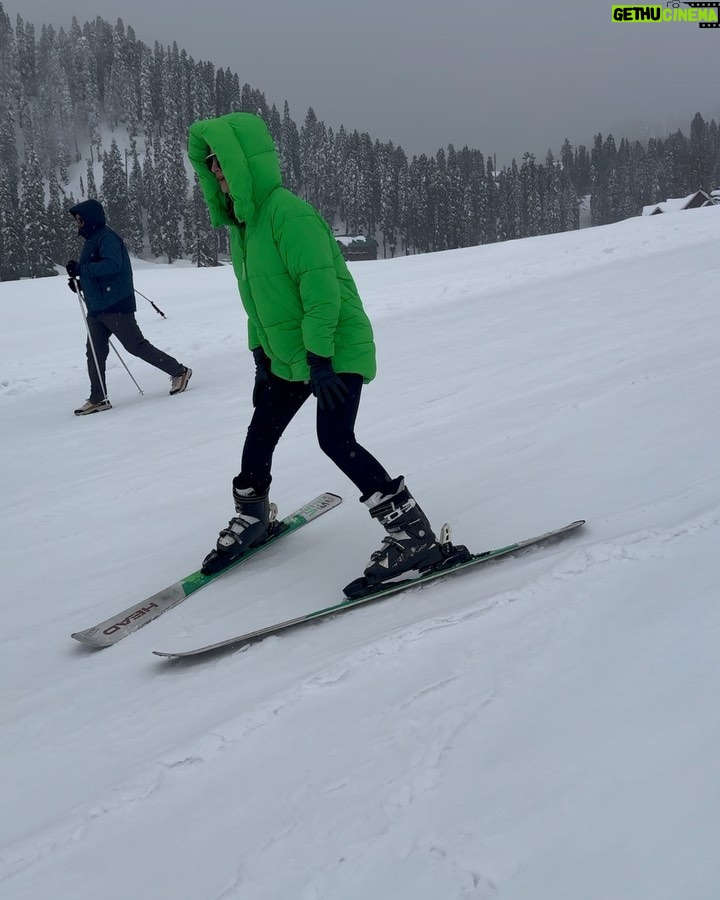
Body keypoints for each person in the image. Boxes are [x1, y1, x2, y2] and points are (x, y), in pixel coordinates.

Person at [188, 111, 443, 593]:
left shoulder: (290, 213)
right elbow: (257, 303)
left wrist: (321, 361)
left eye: (224, 162)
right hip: (291, 355)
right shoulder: (242, 226)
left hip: (334, 347)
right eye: (210, 164)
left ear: (246, 164)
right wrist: (262, 358)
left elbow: (321, 294)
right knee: (261, 429)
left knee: (335, 437)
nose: (217, 171)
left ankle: (414, 537)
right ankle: (254, 517)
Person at [66, 198, 192, 416]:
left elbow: (112, 266)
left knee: (136, 346)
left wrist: (82, 270)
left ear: (91, 219)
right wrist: (79, 281)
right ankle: (98, 398)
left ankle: (179, 371)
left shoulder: (107, 238)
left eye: (80, 220)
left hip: (116, 304)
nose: (78, 224)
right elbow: (96, 271)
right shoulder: (92, 240)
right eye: (77, 221)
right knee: (94, 353)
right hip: (97, 307)